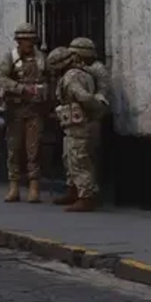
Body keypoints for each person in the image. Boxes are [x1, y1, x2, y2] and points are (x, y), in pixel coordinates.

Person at [49, 46, 106, 212]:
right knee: (69, 158)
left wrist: (95, 109)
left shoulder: (72, 76)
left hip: (79, 126)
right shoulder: (78, 74)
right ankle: (74, 190)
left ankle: (86, 197)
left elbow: (84, 97)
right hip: (73, 126)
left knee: (79, 160)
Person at [0, 22, 48, 203]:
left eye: (32, 40)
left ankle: (34, 186)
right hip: (15, 110)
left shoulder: (42, 58)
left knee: (33, 149)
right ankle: (14, 186)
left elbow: (49, 79)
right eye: (26, 40)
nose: (29, 43)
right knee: (14, 149)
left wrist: (43, 92)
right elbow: (1, 80)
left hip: (35, 110)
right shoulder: (10, 58)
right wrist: (20, 88)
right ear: (18, 41)